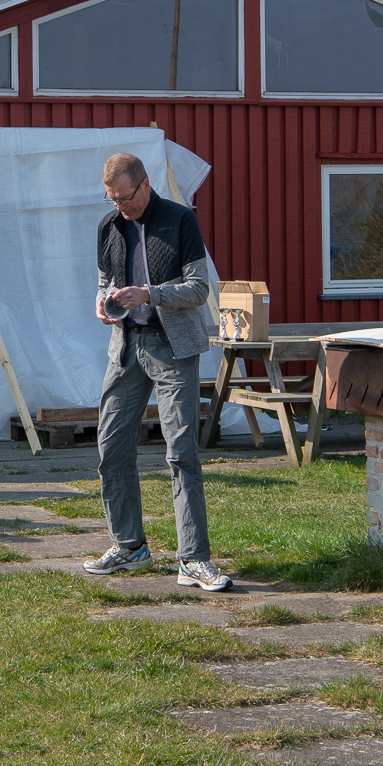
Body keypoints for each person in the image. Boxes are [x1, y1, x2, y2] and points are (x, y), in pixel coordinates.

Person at [82, 153, 229, 591]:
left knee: (181, 451)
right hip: (126, 348)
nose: (119, 206)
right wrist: (102, 302)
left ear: (145, 185)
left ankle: (193, 560)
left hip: (173, 349)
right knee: (111, 448)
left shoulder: (180, 220)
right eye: (112, 199)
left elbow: (199, 289)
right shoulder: (108, 226)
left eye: (125, 198)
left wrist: (150, 294)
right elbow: (104, 282)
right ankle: (129, 546)